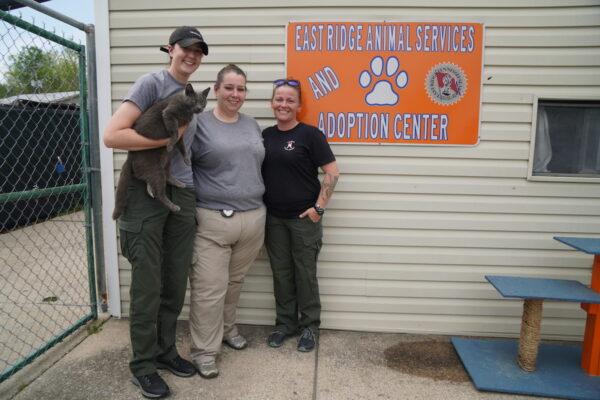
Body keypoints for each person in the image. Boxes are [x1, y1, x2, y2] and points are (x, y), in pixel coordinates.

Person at [103, 26, 208, 399]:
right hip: (144, 194)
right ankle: (143, 366)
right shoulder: (151, 83)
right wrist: (166, 138)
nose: (192, 56)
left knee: (174, 282)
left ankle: (165, 353)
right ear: (171, 49)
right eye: (187, 48)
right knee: (147, 285)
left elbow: (188, 150)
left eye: (199, 51)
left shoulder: (192, 97)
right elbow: (113, 135)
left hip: (181, 193)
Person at [188, 64, 266, 378]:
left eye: (241, 89)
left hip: (254, 218)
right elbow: (180, 165)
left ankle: (227, 329)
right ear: (216, 89)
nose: (236, 94)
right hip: (212, 220)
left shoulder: (252, 125)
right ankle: (204, 352)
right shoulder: (198, 123)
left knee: (234, 284)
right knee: (209, 289)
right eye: (230, 88)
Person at [261, 78, 340, 352]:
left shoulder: (310, 135)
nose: (283, 104)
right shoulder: (265, 136)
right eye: (279, 99)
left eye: (289, 100)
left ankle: (309, 326)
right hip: (273, 219)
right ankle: (285, 324)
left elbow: (332, 172)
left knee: (305, 274)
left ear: (299, 105)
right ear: (272, 103)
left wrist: (319, 208)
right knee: (281, 274)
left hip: (304, 219)